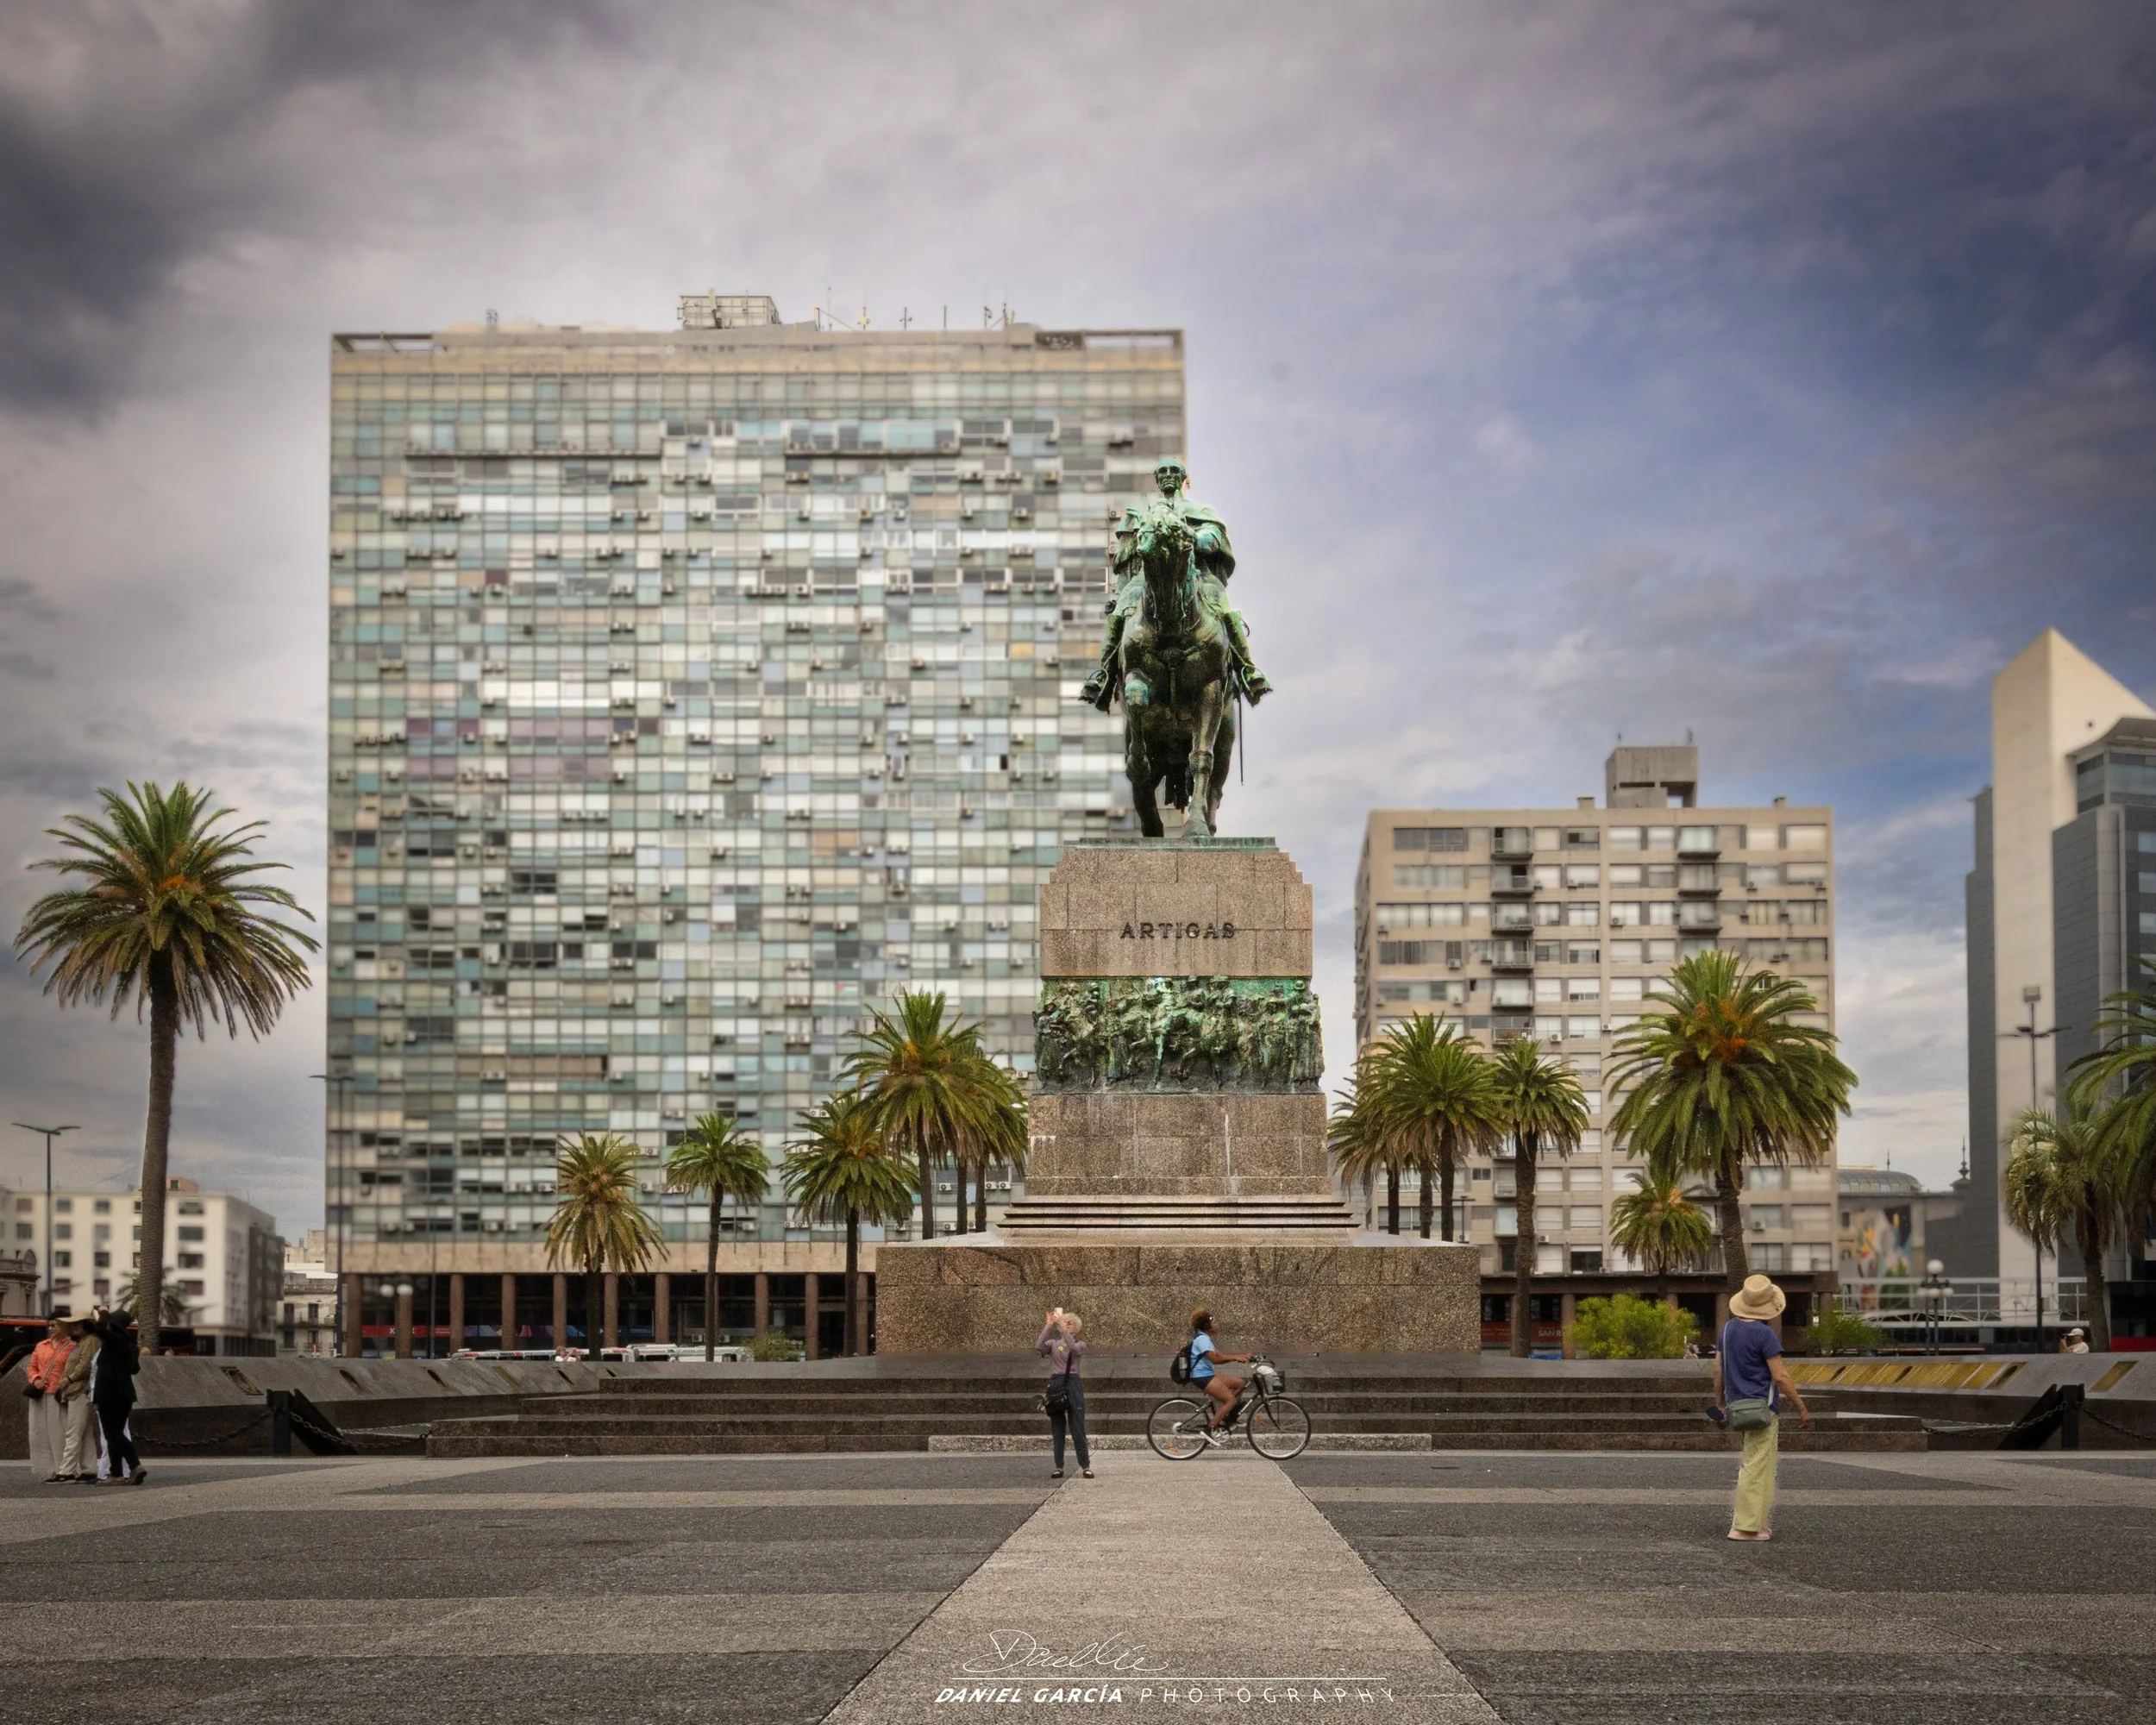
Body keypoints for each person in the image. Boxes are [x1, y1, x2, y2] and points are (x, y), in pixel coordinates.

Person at [1714, 1274, 1810, 1541]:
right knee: (1756, 1466)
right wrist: (1801, 1407)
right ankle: (1744, 1526)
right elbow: (1781, 1377)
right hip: (1762, 1409)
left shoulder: (1727, 1331)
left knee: (1762, 1465)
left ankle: (1758, 1522)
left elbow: (1717, 1371)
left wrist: (1719, 1404)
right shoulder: (1764, 1334)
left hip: (1737, 1408)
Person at [87, 1308, 147, 1488]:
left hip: (110, 1394)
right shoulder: (129, 1344)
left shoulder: (115, 1341)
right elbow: (134, 1369)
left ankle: (133, 1466)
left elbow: (98, 1330)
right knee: (116, 1434)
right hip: (125, 1394)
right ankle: (117, 1472)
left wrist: (103, 1313)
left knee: (112, 1433)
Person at [1037, 1308, 1092, 1480]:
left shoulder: (1081, 1344)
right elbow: (1038, 1347)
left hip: (1073, 1383)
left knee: (1077, 1427)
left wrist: (1065, 1330)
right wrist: (1048, 1326)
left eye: (1070, 1323)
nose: (1065, 1324)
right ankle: (1058, 1466)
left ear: (1077, 1328)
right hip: (1056, 1382)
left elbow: (1074, 1350)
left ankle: (1085, 1465)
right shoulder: (1053, 1343)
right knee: (1057, 1428)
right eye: (1064, 1321)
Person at [1188, 1308, 1257, 1444]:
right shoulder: (1202, 1339)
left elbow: (1219, 1355)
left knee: (1239, 1383)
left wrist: (1242, 1356)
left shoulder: (1204, 1338)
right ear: (1207, 1326)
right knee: (1230, 1400)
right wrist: (1235, 1358)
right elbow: (1215, 1359)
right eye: (1215, 1322)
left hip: (1206, 1374)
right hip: (1202, 1377)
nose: (1217, 1324)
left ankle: (1229, 1418)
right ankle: (1209, 1429)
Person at [23, 1317, 76, 1481]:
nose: (51, 1328)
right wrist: (36, 1379)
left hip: (59, 1394)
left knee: (59, 1432)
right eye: (50, 1325)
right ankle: (48, 1467)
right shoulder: (41, 1345)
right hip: (40, 1393)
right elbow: (32, 1366)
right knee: (40, 1433)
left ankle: (65, 1468)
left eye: (55, 1325)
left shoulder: (72, 1347)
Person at [54, 1314, 100, 1482]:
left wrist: (69, 1379)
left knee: (73, 1432)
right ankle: (89, 1469)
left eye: (77, 1325)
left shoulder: (90, 1341)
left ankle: (66, 1471)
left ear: (86, 1325)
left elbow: (86, 1365)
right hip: (78, 1390)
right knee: (84, 1432)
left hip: (80, 1390)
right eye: (72, 1326)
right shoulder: (83, 1342)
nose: (73, 1328)